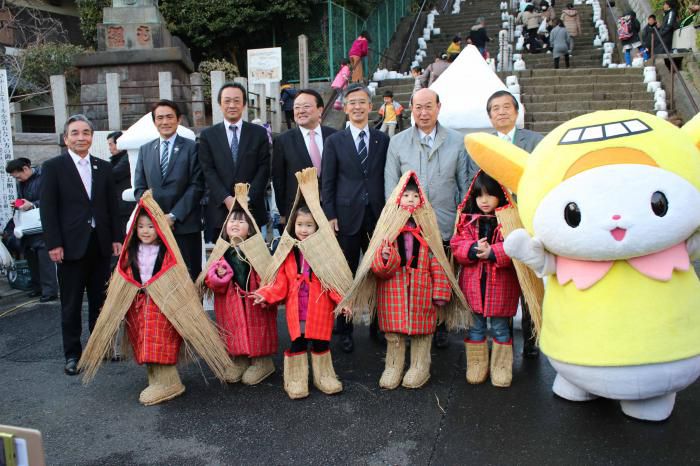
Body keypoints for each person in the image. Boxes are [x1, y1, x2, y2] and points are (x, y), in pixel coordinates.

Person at [384, 88, 474, 349]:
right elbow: (391, 187)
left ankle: (440, 325)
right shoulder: (398, 142)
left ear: (438, 107)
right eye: (418, 107)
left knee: (441, 276)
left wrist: (461, 222)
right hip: (408, 226)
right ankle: (411, 322)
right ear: (411, 108)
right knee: (412, 276)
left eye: (428, 107)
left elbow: (464, 184)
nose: (423, 113)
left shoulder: (457, 141)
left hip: (444, 222)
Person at [40, 114, 121, 376]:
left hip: (100, 245)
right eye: (75, 133)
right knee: (71, 304)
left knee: (101, 301)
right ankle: (72, 354)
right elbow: (48, 209)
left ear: (91, 137)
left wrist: (116, 238)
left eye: (85, 132)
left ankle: (100, 348)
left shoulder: (104, 167)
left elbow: (113, 206)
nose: (81, 137)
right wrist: (53, 243)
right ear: (66, 139)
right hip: (69, 247)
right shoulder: (53, 167)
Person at [321, 84, 390, 353]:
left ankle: (377, 324)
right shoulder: (334, 141)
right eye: (352, 102)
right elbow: (327, 181)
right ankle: (344, 328)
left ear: (370, 106)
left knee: (376, 272)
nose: (357, 107)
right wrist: (330, 215)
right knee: (345, 274)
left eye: (362, 102)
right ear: (345, 107)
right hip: (345, 216)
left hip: (376, 216)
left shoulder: (382, 140)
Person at [254, 204, 344, 399]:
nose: (304, 229)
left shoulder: (325, 254)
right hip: (298, 309)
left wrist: (342, 301)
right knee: (298, 343)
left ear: (317, 227)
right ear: (293, 226)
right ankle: (295, 379)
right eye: (300, 224)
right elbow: (281, 282)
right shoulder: (288, 253)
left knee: (321, 344)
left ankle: (324, 376)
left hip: (319, 308)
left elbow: (334, 281)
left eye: (309, 225)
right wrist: (267, 294)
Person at [371, 176, 452, 389]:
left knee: (422, 332)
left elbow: (438, 260)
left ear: (421, 200)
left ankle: (419, 366)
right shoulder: (388, 230)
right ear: (397, 199)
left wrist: (441, 291)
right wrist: (386, 257)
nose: (410, 199)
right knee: (394, 333)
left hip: (421, 288)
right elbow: (378, 268)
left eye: (415, 196)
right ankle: (393, 366)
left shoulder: (427, 229)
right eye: (406, 195)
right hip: (393, 287)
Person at [483, 90, 543, 358]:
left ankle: (533, 337)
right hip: (496, 222)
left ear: (517, 112)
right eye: (495, 108)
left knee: (530, 280)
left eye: (507, 107)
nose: (502, 112)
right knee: (502, 280)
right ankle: (502, 335)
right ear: (489, 116)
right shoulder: (484, 145)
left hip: (527, 219)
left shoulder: (535, 141)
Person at [452, 171, 521, 387]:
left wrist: (493, 252)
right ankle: (477, 364)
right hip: (474, 286)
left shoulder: (509, 220)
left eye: (489, 195)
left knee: (500, 328)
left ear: (500, 195)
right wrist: (472, 249)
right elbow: (457, 244)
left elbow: (515, 246)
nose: (484, 200)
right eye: (479, 195)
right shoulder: (467, 220)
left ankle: (501, 367)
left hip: (500, 286)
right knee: (475, 327)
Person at [205, 207, 277, 385]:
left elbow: (267, 275)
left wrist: (264, 291)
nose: (235, 224)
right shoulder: (221, 251)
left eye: (241, 221)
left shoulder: (258, 250)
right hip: (232, 299)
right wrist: (219, 275)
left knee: (258, 328)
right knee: (233, 328)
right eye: (232, 221)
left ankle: (262, 361)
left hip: (253, 298)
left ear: (251, 229)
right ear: (225, 226)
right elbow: (210, 281)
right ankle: (239, 359)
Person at [133, 99, 204, 280]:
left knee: (188, 279)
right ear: (154, 121)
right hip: (154, 229)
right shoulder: (146, 150)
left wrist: (173, 216)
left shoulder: (193, 148)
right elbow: (139, 188)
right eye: (160, 118)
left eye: (169, 117)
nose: (165, 122)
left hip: (185, 225)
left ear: (179, 120)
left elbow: (197, 186)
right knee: (158, 280)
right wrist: (155, 216)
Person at [198, 82, 271, 235]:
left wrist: (248, 198)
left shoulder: (258, 133)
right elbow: (207, 170)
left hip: (252, 210)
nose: (232, 105)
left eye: (237, 101)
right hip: (220, 210)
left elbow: (264, 168)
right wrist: (226, 198)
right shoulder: (208, 136)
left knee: (254, 258)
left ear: (244, 104)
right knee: (222, 258)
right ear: (220, 104)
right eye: (227, 101)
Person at [273, 89, 336, 222]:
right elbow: (279, 180)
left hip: (333, 212)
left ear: (320, 110)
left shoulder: (335, 136)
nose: (300, 111)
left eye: (306, 106)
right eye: (297, 107)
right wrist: (283, 213)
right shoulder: (283, 141)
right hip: (299, 214)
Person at [5, 158, 58, 302]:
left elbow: (52, 199)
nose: (18, 179)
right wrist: (19, 204)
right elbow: (24, 200)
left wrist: (32, 205)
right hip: (28, 225)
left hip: (43, 223)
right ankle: (38, 287)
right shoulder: (22, 183)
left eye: (18, 175)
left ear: (26, 168)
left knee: (44, 257)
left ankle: (50, 291)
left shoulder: (44, 177)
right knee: (31, 256)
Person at [107, 131, 135, 243]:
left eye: (111, 144)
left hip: (126, 206)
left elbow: (114, 174)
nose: (109, 148)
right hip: (120, 206)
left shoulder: (127, 158)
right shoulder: (117, 159)